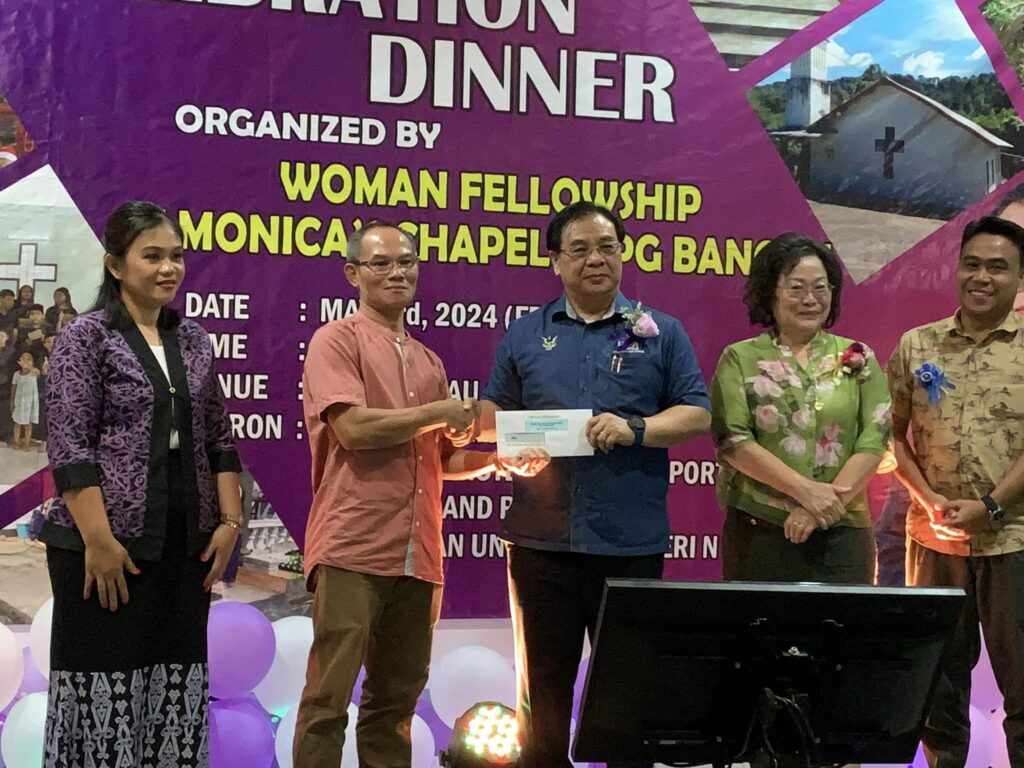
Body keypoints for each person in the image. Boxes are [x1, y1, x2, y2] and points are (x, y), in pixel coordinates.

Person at [292, 221, 548, 768]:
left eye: (406, 261)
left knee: (395, 706)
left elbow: (440, 459)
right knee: (327, 701)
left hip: (420, 555)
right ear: (353, 274)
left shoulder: (429, 362)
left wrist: (498, 460)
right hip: (352, 546)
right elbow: (353, 429)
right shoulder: (336, 340)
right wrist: (436, 412)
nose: (396, 272)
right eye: (381, 263)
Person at [477, 200, 711, 768]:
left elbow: (697, 414)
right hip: (542, 541)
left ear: (623, 254)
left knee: (629, 694)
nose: (595, 259)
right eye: (579, 249)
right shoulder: (526, 333)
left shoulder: (661, 332)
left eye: (607, 247)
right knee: (544, 694)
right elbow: (493, 414)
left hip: (628, 542)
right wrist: (498, 434)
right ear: (555, 261)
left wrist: (636, 428)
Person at [42, 201, 243, 768]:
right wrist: (99, 542)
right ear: (115, 264)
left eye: (176, 255)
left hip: (184, 546)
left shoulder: (194, 339)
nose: (168, 268)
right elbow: (70, 450)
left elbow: (219, 436)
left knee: (173, 693)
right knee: (103, 693)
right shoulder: (86, 338)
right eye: (152, 256)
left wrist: (230, 522)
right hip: (104, 549)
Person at [887, 215, 1024, 767]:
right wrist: (927, 500)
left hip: (1014, 540)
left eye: (998, 267)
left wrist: (991, 505)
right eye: (972, 264)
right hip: (934, 540)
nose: (982, 277)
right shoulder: (917, 345)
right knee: (938, 687)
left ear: (1019, 278)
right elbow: (890, 435)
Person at [710, 233, 891, 583]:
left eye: (820, 288)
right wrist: (804, 491)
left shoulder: (858, 357)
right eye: (796, 288)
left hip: (843, 530)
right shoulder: (740, 358)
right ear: (771, 292)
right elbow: (732, 439)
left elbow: (876, 436)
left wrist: (820, 508)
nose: (810, 299)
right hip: (760, 528)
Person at [10, 350, 38, 450]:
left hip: (30, 404)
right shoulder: (16, 374)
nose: (26, 361)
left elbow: (38, 372)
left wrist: (28, 366)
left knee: (28, 424)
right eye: (23, 359)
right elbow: (13, 388)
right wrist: (12, 402)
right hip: (19, 402)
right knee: (17, 423)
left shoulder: (34, 373)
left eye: (29, 359)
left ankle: (26, 443)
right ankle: (16, 442)